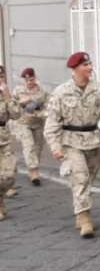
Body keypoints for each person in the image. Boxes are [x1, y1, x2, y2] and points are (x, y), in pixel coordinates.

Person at [43, 52, 100, 238]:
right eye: (85, 65)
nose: (90, 68)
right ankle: (85, 217)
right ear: (75, 68)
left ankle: (81, 209)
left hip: (93, 140)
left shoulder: (99, 90)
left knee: (88, 179)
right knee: (80, 178)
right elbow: (52, 123)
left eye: (90, 64)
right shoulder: (62, 92)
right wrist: (55, 147)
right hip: (71, 142)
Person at [12, 67, 49, 186]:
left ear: (35, 78)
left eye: (31, 80)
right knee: (29, 145)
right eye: (27, 80)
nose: (29, 83)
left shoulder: (43, 92)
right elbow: (11, 106)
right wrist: (20, 103)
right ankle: (33, 172)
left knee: (37, 147)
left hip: (38, 122)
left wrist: (38, 114)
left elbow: (49, 109)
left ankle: (34, 167)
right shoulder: (18, 91)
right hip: (23, 122)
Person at [0, 65, 23, 222]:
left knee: (9, 174)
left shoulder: (6, 95)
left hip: (3, 138)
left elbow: (16, 114)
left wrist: (8, 96)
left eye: (1, 77)